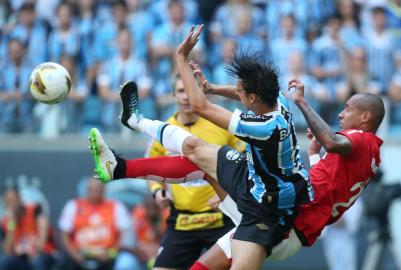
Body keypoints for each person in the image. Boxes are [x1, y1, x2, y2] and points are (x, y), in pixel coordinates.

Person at [91, 76, 385, 270]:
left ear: (366, 117)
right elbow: (327, 180)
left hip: (281, 220)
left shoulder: (358, 138)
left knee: (197, 151)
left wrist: (303, 103)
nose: (341, 113)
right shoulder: (367, 153)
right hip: (277, 214)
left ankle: (132, 132)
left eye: (347, 108)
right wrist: (313, 152)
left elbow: (332, 141)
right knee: (200, 159)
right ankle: (122, 159)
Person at [90, 25, 314, 269]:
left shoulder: (264, 126)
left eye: (240, 92)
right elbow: (239, 93)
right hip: (251, 178)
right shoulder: (276, 100)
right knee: (194, 147)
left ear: (251, 99)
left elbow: (200, 107)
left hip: (265, 209)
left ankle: (130, 133)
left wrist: (181, 58)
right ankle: (126, 142)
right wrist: (212, 88)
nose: (237, 93)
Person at [144, 74, 243, 269]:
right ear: (173, 95)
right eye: (181, 91)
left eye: (191, 91)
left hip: (223, 218)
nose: (187, 96)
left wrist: (230, 192)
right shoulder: (163, 130)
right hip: (183, 220)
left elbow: (245, 163)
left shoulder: (220, 123)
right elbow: (150, 164)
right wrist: (157, 190)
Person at [58, 177, 138, 270]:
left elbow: (124, 234)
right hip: (80, 254)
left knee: (125, 263)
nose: (95, 193)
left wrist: (110, 253)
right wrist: (75, 255)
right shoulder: (73, 205)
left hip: (106, 254)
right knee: (63, 262)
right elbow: (64, 234)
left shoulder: (115, 206)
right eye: (92, 190)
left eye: (98, 190)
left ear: (103, 190)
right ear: (87, 190)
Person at [0, 186, 55, 270]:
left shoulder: (35, 209)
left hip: (42, 255)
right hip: (22, 260)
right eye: (8, 203)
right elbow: (7, 251)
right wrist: (11, 223)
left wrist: (36, 250)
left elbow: (43, 234)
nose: (12, 205)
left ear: (20, 199)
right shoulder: (6, 223)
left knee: (37, 262)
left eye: (13, 201)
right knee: (4, 262)